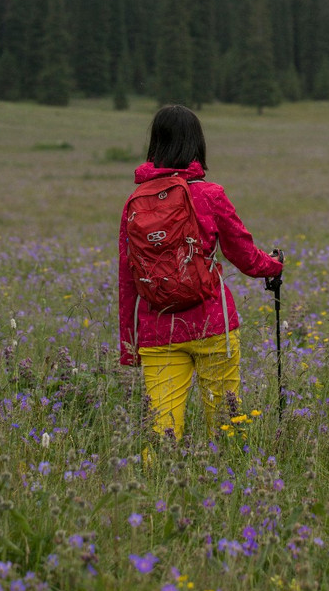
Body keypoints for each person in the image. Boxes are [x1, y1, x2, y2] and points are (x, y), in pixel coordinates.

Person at [118, 104, 283, 439]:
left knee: (160, 428)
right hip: (212, 325)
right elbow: (246, 256)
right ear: (197, 144)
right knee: (226, 423)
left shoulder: (134, 202)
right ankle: (229, 481)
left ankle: (157, 485)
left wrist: (130, 345)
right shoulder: (209, 194)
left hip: (157, 330)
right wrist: (274, 265)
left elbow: (128, 279)